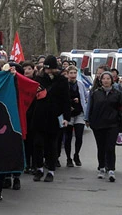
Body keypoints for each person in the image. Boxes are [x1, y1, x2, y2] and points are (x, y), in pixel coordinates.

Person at [31, 55, 70, 183]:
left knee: (51, 145)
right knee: (37, 144)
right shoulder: (39, 79)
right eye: (45, 69)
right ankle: (39, 168)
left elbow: (66, 100)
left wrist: (66, 117)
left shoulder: (62, 81)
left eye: (49, 69)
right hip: (39, 116)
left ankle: (51, 170)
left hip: (54, 117)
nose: (47, 71)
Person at [86, 71, 122, 182]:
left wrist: (121, 124)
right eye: (104, 79)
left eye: (108, 79)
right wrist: (89, 120)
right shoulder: (96, 93)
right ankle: (102, 167)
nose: (106, 81)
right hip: (98, 124)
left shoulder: (117, 94)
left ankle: (111, 169)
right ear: (101, 80)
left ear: (112, 80)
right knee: (101, 147)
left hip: (113, 124)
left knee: (110, 147)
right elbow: (91, 107)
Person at [64, 66, 89, 167]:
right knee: (68, 137)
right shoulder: (64, 85)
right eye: (71, 73)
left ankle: (76, 155)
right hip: (68, 115)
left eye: (75, 73)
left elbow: (86, 97)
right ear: (67, 74)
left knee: (79, 136)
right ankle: (68, 158)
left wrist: (83, 104)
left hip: (79, 113)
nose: (73, 75)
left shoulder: (80, 84)